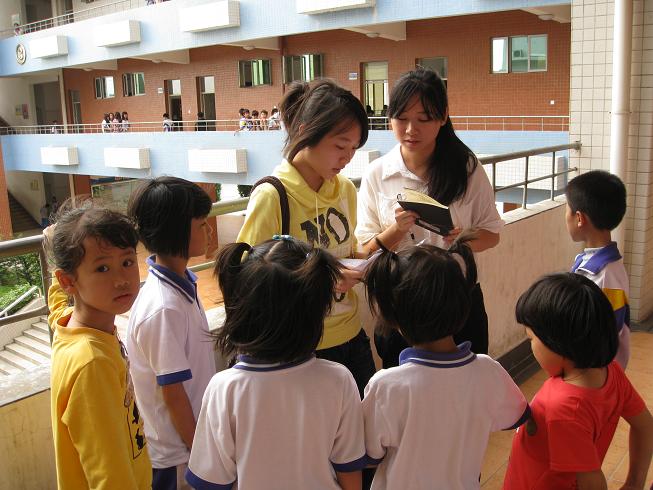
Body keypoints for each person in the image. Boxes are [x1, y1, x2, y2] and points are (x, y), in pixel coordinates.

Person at [186, 237, 366, 490]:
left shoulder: (225, 388)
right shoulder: (338, 379)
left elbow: (211, 481)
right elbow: (349, 471)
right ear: (316, 312)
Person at [237, 78, 376, 397]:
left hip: (352, 336)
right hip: (301, 347)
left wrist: (361, 265)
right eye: (340, 146)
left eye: (353, 148)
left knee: (364, 425)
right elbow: (249, 280)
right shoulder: (272, 196)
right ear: (305, 132)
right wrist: (323, 279)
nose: (347, 158)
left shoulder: (345, 190)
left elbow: (347, 251)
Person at [356, 68, 502, 367]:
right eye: (402, 118)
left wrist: (462, 240)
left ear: (443, 116)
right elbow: (365, 251)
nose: (411, 129)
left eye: (424, 119)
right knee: (403, 385)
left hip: (458, 301)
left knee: (464, 385)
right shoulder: (377, 173)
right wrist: (396, 231)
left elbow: (492, 234)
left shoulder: (467, 169)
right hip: (400, 305)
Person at [362, 237, 529, 489]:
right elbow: (517, 415)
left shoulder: (385, 385)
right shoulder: (487, 370)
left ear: (394, 319)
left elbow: (370, 453)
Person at [503, 273, 653, 489]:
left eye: (531, 339)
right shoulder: (611, 372)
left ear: (557, 344)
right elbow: (645, 425)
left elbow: (592, 482)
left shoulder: (564, 408)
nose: (531, 347)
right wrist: (634, 483)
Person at [44, 201, 152, 489]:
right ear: (69, 281)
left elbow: (57, 306)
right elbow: (110, 478)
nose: (121, 280)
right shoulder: (93, 364)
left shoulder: (70, 326)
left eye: (127, 262)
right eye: (103, 268)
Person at [126, 177, 216, 490]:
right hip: (178, 458)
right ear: (177, 230)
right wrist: (202, 455)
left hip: (192, 445)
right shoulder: (163, 307)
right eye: (201, 224)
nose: (209, 230)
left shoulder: (181, 285)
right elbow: (173, 394)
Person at [565, 170, 630, 369]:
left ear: (579, 218)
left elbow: (605, 336)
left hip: (598, 374)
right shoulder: (590, 263)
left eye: (567, 211)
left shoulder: (605, 275)